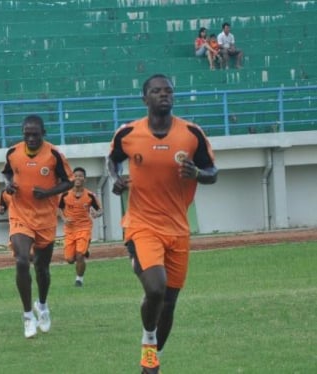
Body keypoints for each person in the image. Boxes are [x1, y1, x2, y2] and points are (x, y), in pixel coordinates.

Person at [107, 74, 218, 373]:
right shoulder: (128, 133)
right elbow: (113, 160)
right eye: (156, 91)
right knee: (155, 289)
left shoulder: (191, 134)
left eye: (168, 90)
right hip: (141, 223)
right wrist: (117, 180)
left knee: (169, 302)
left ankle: (151, 357)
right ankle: (148, 340)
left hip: (178, 228)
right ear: (145, 98)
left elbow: (212, 172)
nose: (163, 95)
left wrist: (196, 173)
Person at [2, 114, 74, 339]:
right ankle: (27, 316)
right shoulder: (13, 152)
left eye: (35, 134)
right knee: (22, 260)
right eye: (27, 134)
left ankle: (41, 305)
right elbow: (7, 173)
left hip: (45, 219)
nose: (31, 138)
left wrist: (48, 193)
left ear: (43, 133)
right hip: (20, 214)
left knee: (42, 268)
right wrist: (9, 186)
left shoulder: (53, 155)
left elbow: (69, 181)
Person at [57, 167, 102, 287]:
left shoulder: (90, 195)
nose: (78, 178)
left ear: (85, 179)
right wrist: (64, 218)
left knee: (80, 255)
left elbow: (100, 210)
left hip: (84, 227)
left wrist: (96, 214)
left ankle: (79, 279)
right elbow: (58, 208)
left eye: (80, 176)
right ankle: (84, 250)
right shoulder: (65, 195)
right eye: (75, 176)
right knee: (70, 259)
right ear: (72, 178)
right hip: (70, 230)